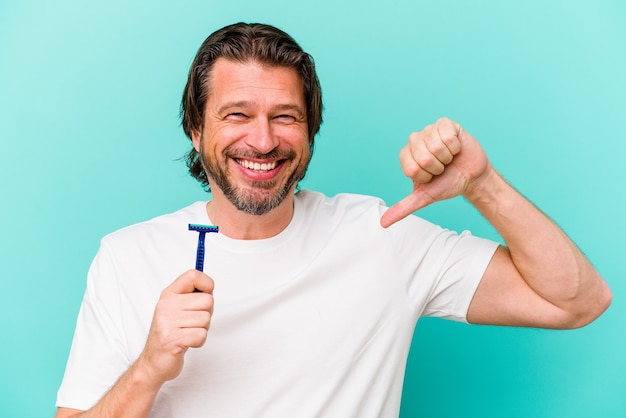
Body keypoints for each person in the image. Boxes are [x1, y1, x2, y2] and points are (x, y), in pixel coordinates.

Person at [55, 22, 611, 417]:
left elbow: (577, 301)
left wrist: (482, 185)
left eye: (286, 117)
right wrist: (151, 365)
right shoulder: (126, 257)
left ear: (311, 131)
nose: (264, 140)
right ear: (196, 132)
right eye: (237, 115)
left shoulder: (384, 236)